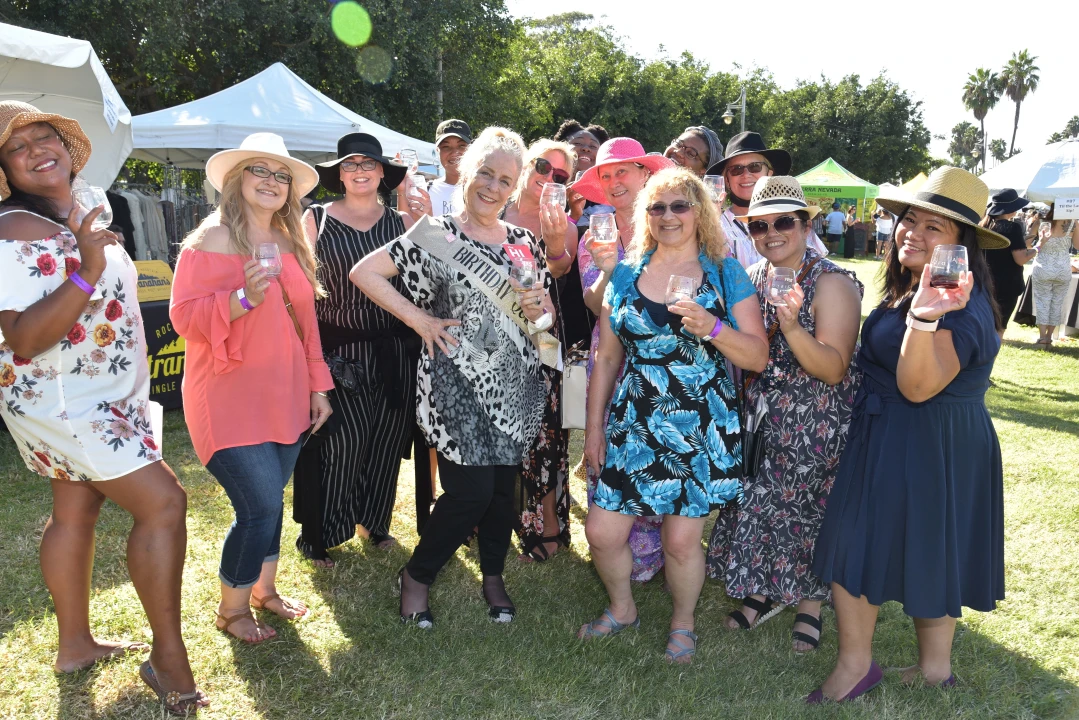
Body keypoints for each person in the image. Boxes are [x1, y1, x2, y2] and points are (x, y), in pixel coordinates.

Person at [0, 101, 206, 714]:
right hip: (62, 398)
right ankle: (168, 660)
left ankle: (75, 646)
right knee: (165, 502)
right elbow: (25, 338)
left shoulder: (82, 204)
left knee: (76, 508)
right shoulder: (11, 230)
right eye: (19, 147)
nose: (39, 149)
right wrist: (89, 268)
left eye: (47, 137)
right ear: (5, 170)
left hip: (104, 389)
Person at [809, 166, 1009, 703]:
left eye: (933, 228)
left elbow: (918, 387)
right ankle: (933, 670)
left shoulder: (955, 310)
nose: (911, 233)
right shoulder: (915, 293)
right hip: (904, 433)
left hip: (926, 437)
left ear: (962, 246)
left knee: (857, 546)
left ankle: (860, 667)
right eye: (908, 220)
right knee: (929, 545)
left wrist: (923, 321)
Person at [351, 127, 554, 627]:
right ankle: (417, 575)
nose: (492, 186)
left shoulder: (526, 244)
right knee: (470, 493)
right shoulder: (434, 234)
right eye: (485, 172)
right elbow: (364, 273)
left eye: (505, 179)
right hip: (455, 384)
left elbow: (542, 319)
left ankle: (492, 575)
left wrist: (540, 308)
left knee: (503, 491)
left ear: (514, 188)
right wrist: (418, 319)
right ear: (466, 171)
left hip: (515, 385)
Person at [580, 167, 769, 663]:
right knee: (602, 531)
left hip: (699, 422)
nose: (668, 216)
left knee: (682, 542)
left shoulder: (725, 274)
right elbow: (606, 359)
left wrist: (713, 328)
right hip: (635, 419)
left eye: (680, 205)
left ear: (700, 212)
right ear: (646, 216)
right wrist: (594, 429)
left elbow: (756, 355)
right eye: (657, 207)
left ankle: (683, 623)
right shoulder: (624, 271)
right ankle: (622, 608)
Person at [171, 133, 334, 644]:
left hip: (285, 393)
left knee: (272, 499)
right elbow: (182, 318)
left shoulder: (293, 242)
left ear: (291, 189)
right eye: (259, 170)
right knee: (259, 505)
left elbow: (307, 326)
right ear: (237, 180)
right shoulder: (210, 241)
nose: (271, 181)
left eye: (281, 174)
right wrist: (241, 298)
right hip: (225, 395)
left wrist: (319, 387)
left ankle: (265, 590)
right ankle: (232, 608)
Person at [706, 176, 863, 653]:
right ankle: (760, 588)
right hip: (761, 414)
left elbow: (833, 369)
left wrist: (792, 325)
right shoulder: (751, 278)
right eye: (759, 225)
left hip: (817, 418)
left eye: (784, 222)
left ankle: (810, 604)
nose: (771, 233)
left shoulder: (832, 282)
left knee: (809, 508)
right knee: (759, 501)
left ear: (806, 224)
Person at [292, 133, 417, 567]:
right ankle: (321, 533)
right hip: (338, 351)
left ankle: (374, 522)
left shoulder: (403, 223)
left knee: (386, 439)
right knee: (340, 442)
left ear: (383, 172)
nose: (360, 171)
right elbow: (302, 289)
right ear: (339, 175)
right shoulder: (317, 218)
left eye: (368, 164)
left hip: (396, 349)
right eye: (350, 165)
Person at [573, 137, 674, 583]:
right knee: (611, 449)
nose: (615, 181)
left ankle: (655, 552)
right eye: (606, 174)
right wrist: (610, 268)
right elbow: (594, 306)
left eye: (623, 171)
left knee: (660, 448)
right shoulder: (596, 233)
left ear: (645, 175)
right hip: (612, 360)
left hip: (665, 366)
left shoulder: (672, 226)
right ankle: (616, 548)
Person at [502, 139, 579, 562]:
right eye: (542, 166)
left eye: (561, 176)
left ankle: (546, 521)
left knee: (547, 432)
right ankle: (486, 516)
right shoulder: (493, 210)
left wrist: (552, 241)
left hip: (543, 339)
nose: (549, 178)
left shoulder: (564, 226)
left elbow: (559, 271)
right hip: (491, 340)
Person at [705, 131, 828, 268]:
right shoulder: (715, 226)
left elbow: (821, 270)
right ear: (726, 180)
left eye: (755, 167)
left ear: (769, 174)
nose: (746, 175)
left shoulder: (794, 220)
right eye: (736, 170)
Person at [981, 189, 1035, 339]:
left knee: (984, 324)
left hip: (984, 282)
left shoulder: (984, 226)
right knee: (999, 326)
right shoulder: (1012, 227)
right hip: (1006, 285)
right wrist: (1038, 247)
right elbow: (1021, 258)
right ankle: (989, 359)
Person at [1030, 203, 1079, 348]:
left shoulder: (1041, 222)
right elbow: (1077, 246)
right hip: (1063, 268)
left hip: (1042, 266)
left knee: (1042, 302)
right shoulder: (1073, 223)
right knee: (1057, 303)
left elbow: (1026, 243)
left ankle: (1042, 337)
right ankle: (1049, 337)